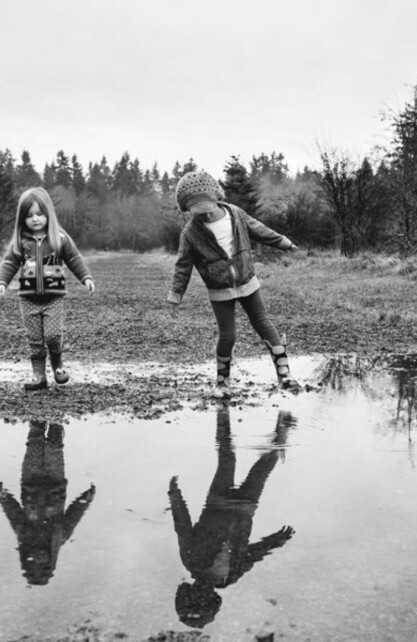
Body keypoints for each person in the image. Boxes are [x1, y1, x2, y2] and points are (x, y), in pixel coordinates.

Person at [167, 169, 299, 390]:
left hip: (248, 281)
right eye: (198, 212)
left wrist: (283, 242)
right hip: (219, 290)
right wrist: (175, 296)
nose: (205, 215)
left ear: (216, 198)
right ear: (187, 209)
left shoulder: (235, 214)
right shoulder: (190, 233)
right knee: (228, 336)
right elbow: (183, 266)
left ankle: (284, 373)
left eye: (207, 209)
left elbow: (260, 230)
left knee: (264, 323)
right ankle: (222, 382)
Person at [169, 407, 296, 627]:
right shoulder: (230, 577)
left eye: (196, 592)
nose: (202, 589)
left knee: (227, 457)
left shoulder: (192, 561)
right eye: (204, 595)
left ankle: (223, 411)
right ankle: (281, 430)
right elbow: (254, 554)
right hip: (245, 508)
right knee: (264, 466)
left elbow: (183, 526)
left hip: (218, 501)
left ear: (191, 590)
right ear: (211, 597)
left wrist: (175, 495)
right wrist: (277, 540)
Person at [0, 187, 95, 390]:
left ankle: (58, 365)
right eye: (29, 215)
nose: (35, 219)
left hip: (53, 298)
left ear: (48, 213)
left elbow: (74, 259)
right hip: (28, 299)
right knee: (35, 340)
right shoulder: (21, 241)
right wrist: (2, 282)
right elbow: (9, 262)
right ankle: (39, 375)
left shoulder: (60, 238)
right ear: (22, 218)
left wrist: (85, 278)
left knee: (52, 336)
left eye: (39, 214)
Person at [0, 420, 96, 585]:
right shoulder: (60, 536)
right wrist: (86, 498)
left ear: (27, 557)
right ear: (49, 559)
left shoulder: (24, 536)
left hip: (30, 480)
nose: (37, 558)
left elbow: (14, 514)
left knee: (34, 444)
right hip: (55, 481)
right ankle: (56, 421)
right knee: (54, 446)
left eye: (33, 561)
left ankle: (37, 420)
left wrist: (4, 498)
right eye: (41, 562)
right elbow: (74, 514)